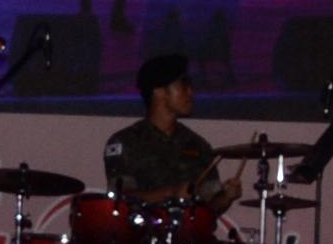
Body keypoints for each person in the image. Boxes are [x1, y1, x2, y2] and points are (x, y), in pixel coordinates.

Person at [104, 53, 243, 209]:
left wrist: (226, 197)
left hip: (187, 232)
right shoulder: (125, 142)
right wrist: (170, 193)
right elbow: (120, 197)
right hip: (141, 231)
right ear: (159, 91)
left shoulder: (197, 144)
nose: (191, 92)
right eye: (183, 84)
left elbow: (209, 208)